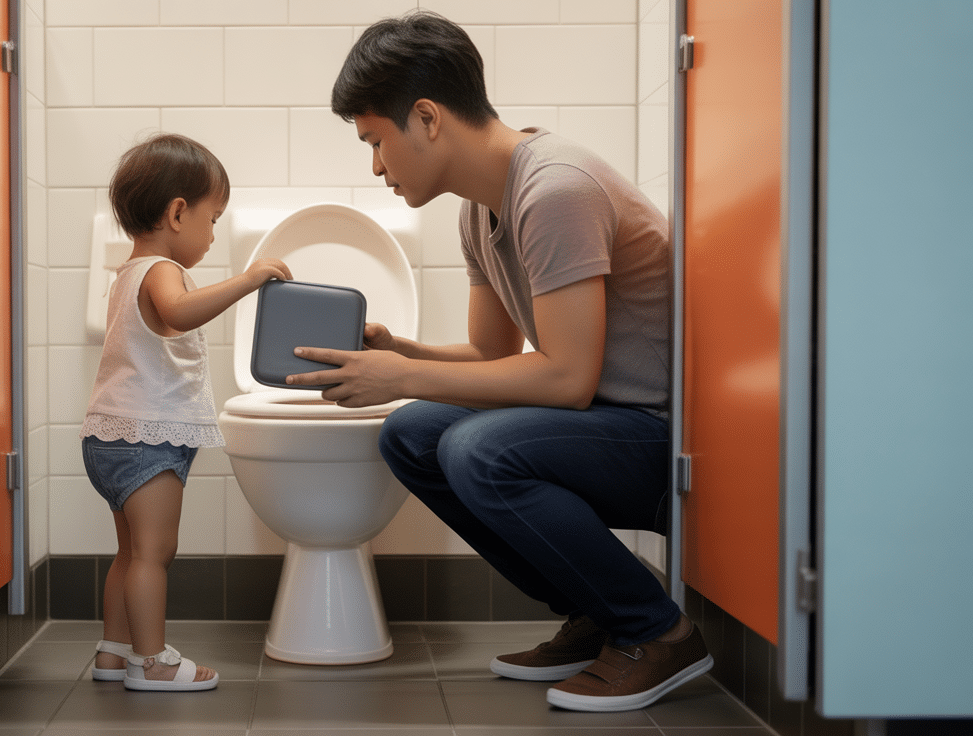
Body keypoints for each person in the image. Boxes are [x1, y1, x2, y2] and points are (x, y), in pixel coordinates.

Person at [285, 11, 712, 712]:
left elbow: (568, 380)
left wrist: (401, 377)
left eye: (376, 142)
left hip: (660, 438)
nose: (376, 166)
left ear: (426, 117)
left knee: (480, 448)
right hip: (603, 423)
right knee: (412, 433)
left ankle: (656, 632)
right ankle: (595, 611)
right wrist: (404, 352)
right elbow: (493, 354)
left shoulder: (557, 189)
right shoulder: (478, 209)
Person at [81, 133, 291, 691]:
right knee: (156, 552)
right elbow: (179, 312)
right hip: (146, 438)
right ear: (178, 213)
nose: (214, 232)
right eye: (213, 218)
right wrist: (247, 281)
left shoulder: (127, 272)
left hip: (111, 435)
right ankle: (153, 663)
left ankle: (114, 651)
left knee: (129, 552)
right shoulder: (160, 271)